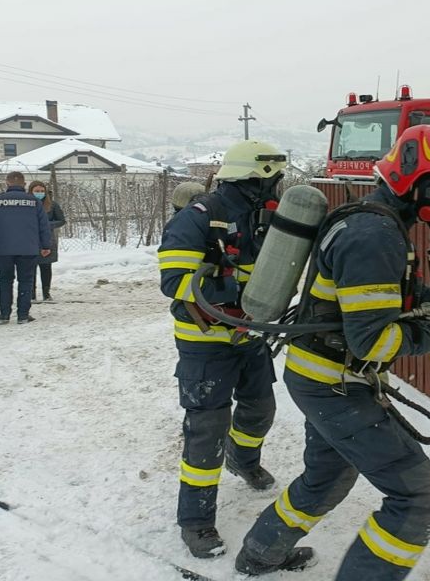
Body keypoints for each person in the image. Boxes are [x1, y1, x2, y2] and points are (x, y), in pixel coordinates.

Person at [235, 125, 430, 579]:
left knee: (327, 477)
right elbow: (374, 341)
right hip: (334, 384)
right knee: (416, 497)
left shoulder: (375, 222)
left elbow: (394, 293)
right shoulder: (373, 235)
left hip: (320, 376)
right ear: (414, 182)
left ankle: (260, 554)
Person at [157, 140, 288, 559]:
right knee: (207, 430)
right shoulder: (197, 218)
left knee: (260, 409)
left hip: (250, 336)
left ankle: (243, 461)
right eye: (271, 180)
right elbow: (173, 281)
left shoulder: (267, 218)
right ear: (250, 180)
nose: (276, 187)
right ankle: (195, 521)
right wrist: (237, 293)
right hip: (206, 344)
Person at [0, 171, 51, 324]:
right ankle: (23, 314)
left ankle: (4, 314)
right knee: (26, 280)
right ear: (24, 184)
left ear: (7, 183)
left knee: (4, 279)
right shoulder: (34, 202)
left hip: (3, 248)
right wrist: (46, 245)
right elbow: (43, 226)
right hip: (28, 248)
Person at [26, 180, 66, 301]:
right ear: (31, 191)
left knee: (46, 267)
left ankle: (46, 292)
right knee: (30, 268)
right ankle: (31, 293)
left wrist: (47, 225)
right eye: (37, 191)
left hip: (47, 239)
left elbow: (61, 220)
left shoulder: (52, 205)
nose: (40, 193)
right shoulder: (26, 204)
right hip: (30, 239)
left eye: (42, 191)